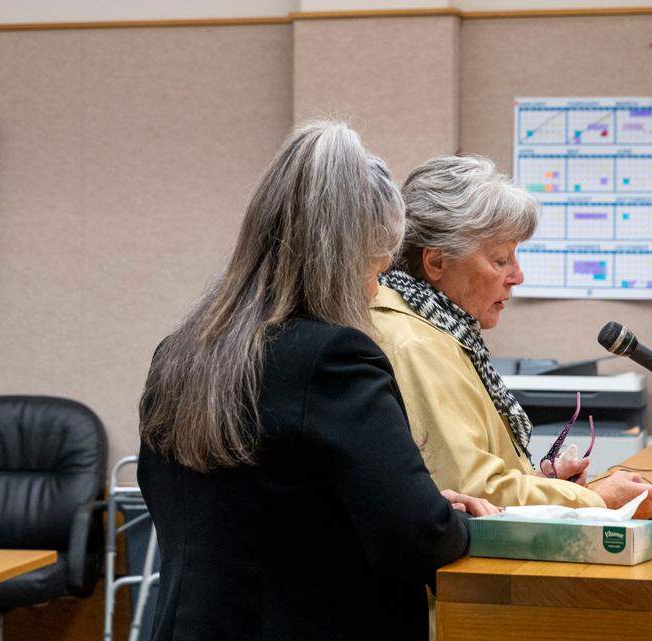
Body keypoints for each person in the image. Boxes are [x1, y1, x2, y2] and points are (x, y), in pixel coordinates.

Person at [137, 120, 496, 641]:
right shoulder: (333, 358)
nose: (375, 292)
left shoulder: (180, 353)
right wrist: (448, 523)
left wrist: (425, 506)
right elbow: (414, 540)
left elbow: (261, 505)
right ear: (341, 261)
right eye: (375, 271)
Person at [371, 155, 652, 517]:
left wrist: (541, 481)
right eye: (501, 260)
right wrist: (598, 499)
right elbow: (471, 493)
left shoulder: (440, 325)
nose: (517, 276)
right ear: (437, 262)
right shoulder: (416, 342)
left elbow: (478, 482)